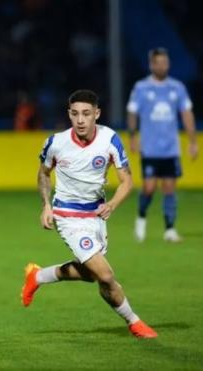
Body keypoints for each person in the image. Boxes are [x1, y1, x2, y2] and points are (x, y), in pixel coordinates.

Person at [21, 89, 158, 339]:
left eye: (86, 114)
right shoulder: (56, 142)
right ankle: (134, 322)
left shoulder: (110, 139)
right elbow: (43, 173)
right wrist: (46, 205)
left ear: (97, 114)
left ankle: (38, 276)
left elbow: (127, 181)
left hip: (96, 215)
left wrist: (113, 204)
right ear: (69, 115)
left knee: (91, 275)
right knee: (105, 275)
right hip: (67, 215)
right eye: (75, 114)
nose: (80, 120)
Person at [127, 47, 198, 243]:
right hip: (150, 148)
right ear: (152, 64)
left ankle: (169, 229)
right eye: (158, 63)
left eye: (165, 62)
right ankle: (141, 218)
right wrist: (132, 136)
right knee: (149, 188)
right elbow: (133, 113)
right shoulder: (141, 88)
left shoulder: (177, 87)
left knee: (169, 188)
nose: (162, 66)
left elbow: (187, 114)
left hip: (170, 148)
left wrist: (193, 141)